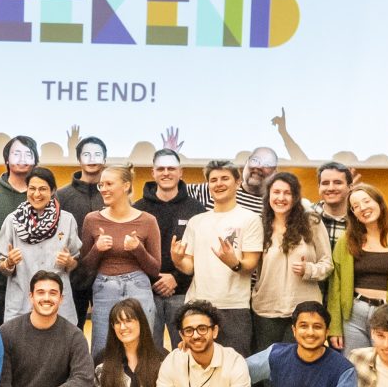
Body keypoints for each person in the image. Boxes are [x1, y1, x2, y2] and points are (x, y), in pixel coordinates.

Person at [174, 161, 264, 355]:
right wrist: (178, 260)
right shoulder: (197, 221)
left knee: (236, 368)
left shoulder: (250, 219)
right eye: (213, 180)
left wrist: (234, 263)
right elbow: (189, 267)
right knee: (196, 368)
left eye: (225, 178)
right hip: (197, 306)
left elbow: (251, 263)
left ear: (238, 182)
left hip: (234, 307)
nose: (218, 184)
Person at [325, 182, 388, 352]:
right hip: (354, 315)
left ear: (379, 203)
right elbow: (335, 287)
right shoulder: (346, 241)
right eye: (356, 206)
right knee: (354, 369)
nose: (363, 208)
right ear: (353, 214)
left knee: (387, 370)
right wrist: (334, 327)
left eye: (367, 201)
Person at [83, 161, 163, 357]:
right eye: (101, 185)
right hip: (104, 286)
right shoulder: (92, 219)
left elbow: (155, 269)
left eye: (109, 184)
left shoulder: (148, 220)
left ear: (126, 186)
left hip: (138, 286)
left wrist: (138, 250)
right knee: (102, 349)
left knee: (142, 348)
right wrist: (97, 249)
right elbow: (84, 266)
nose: (103, 189)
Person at [250, 171, 332, 353]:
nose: (281, 198)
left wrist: (309, 270)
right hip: (266, 309)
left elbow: (327, 263)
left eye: (287, 193)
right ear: (268, 195)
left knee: (298, 366)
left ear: (295, 197)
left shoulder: (312, 222)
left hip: (304, 309)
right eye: (276, 192)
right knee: (267, 369)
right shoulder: (258, 224)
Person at [0, 168, 83, 323]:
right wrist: (9, 262)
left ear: (53, 190)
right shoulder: (13, 221)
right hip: (22, 301)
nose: (36, 194)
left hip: (56, 303)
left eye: (43, 189)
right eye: (32, 189)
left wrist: (69, 262)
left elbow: (75, 262)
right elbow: (2, 265)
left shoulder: (66, 220)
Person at [137, 146, 205, 336]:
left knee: (186, 352)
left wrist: (176, 277)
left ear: (180, 172)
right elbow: (133, 252)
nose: (166, 173)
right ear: (153, 172)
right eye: (160, 169)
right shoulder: (138, 209)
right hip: (147, 293)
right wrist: (155, 279)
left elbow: (202, 253)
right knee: (149, 354)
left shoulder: (196, 210)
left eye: (171, 168)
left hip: (185, 293)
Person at [0, 134, 40, 320]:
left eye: (28, 154)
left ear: (35, 160)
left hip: (36, 281)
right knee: (1, 339)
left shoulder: (44, 193)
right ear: (6, 159)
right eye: (16, 154)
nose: (22, 159)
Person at [58, 136, 107, 316]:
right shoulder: (62, 195)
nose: (92, 159)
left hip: (106, 274)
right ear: (79, 159)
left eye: (97, 154)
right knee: (71, 329)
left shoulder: (113, 193)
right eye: (86, 154)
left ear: (104, 159)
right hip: (71, 274)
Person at [311, 162, 354, 244]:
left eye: (338, 183)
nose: (331, 188)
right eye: (325, 183)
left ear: (350, 187)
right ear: (319, 187)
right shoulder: (305, 216)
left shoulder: (359, 219)